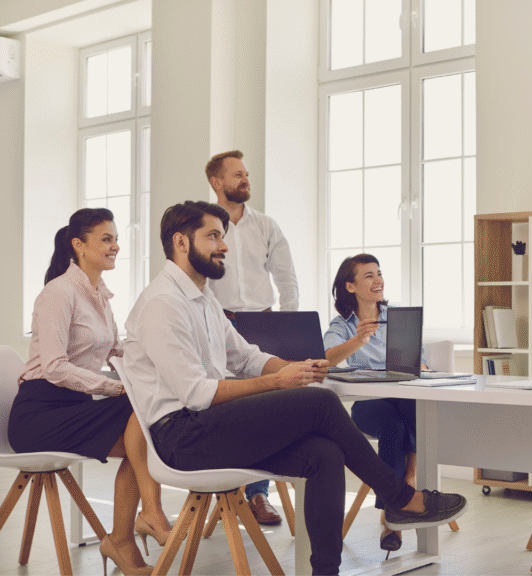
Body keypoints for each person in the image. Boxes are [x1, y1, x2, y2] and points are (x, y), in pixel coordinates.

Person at [121, 201, 467, 575]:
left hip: (209, 428)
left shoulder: (203, 299)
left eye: (223, 236)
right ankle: (400, 498)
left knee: (324, 454)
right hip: (183, 438)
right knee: (319, 404)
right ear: (181, 242)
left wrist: (296, 368)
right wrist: (277, 382)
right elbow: (196, 394)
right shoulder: (162, 303)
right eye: (213, 236)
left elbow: (248, 357)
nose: (223, 246)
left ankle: (325, 571)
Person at [10, 208, 172, 576]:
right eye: (107, 239)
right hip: (40, 413)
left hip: (74, 406)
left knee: (142, 434)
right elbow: (53, 366)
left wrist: (162, 358)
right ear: (78, 246)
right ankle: (149, 516)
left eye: (116, 238)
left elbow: (116, 349)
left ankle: (124, 537)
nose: (116, 246)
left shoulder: (100, 295)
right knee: (138, 418)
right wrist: (112, 387)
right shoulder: (58, 293)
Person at [205, 149, 299, 525]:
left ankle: (258, 495)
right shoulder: (205, 226)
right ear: (216, 182)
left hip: (263, 325)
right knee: (223, 408)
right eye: (237, 175)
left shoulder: (266, 225)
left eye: (246, 174)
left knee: (266, 410)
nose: (245, 179)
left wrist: (288, 329)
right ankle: (225, 486)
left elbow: (287, 279)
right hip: (218, 324)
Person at [322, 254, 430, 554]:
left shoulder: (398, 315)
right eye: (368, 275)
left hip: (404, 397)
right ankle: (399, 502)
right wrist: (358, 340)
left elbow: (419, 357)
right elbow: (326, 359)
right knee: (393, 424)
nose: (378, 279)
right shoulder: (343, 325)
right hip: (368, 404)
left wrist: (420, 363)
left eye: (379, 273)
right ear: (351, 286)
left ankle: (401, 492)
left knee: (415, 410)